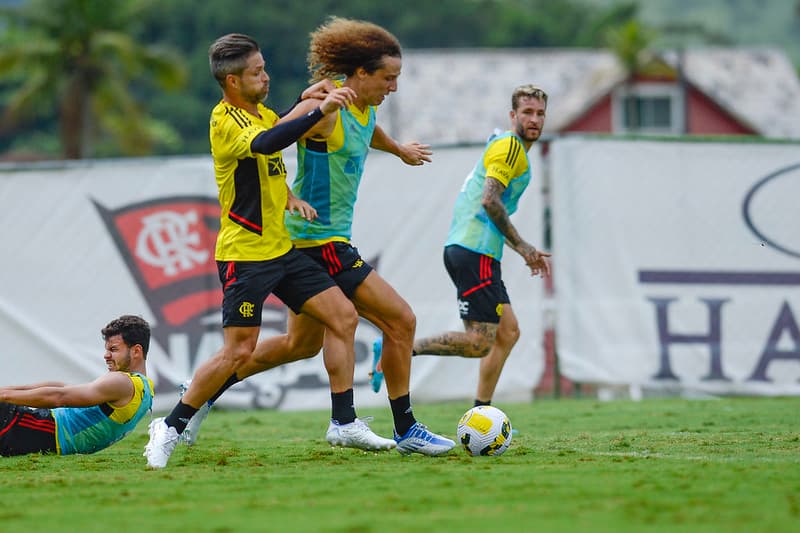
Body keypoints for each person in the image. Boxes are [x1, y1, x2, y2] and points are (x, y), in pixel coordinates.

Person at [179, 18, 455, 456]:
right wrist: (307, 107)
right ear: (360, 74)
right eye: (388, 78)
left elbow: (366, 130)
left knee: (299, 344)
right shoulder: (328, 106)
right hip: (317, 240)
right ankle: (405, 428)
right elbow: (277, 135)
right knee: (400, 320)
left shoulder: (365, 105)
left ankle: (201, 390)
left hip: (321, 238)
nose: (394, 87)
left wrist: (398, 148)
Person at [142, 33, 386, 469]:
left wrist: (288, 193)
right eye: (256, 72)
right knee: (238, 352)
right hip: (246, 255)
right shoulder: (226, 120)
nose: (265, 77)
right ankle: (172, 424)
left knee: (343, 317)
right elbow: (267, 143)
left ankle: (344, 422)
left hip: (282, 249)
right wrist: (318, 108)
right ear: (233, 82)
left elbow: (270, 148)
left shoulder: (260, 111)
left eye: (264, 67)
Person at [373, 85, 552, 408]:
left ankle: (481, 411)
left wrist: (523, 250)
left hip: (475, 250)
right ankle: (400, 346)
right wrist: (524, 247)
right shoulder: (510, 147)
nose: (534, 119)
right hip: (474, 252)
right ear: (513, 116)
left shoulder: (511, 147)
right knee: (479, 343)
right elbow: (489, 201)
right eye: (527, 112)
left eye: (540, 114)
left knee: (508, 333)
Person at [0, 315, 153, 457]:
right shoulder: (146, 389)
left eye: (113, 349)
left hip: (43, 431)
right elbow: (62, 388)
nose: (106, 355)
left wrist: (4, 396)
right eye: (106, 349)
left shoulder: (121, 381)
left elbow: (59, 397)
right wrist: (7, 391)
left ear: (136, 351)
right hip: (44, 434)